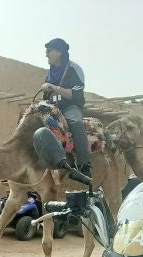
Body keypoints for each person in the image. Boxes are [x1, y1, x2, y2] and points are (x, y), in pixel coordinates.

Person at [40, 38, 90, 175]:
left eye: (49, 51)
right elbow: (46, 97)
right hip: (53, 108)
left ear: (60, 52)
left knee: (75, 123)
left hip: (70, 107)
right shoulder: (50, 73)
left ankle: (84, 166)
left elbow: (76, 94)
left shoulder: (74, 69)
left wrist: (54, 87)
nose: (46, 54)